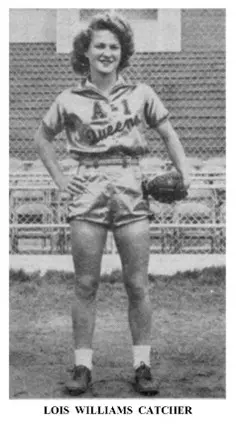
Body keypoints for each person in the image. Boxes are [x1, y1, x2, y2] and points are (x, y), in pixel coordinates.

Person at [35, 12, 190, 396]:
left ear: (123, 54)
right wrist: (60, 178)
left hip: (130, 187)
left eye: (114, 47)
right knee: (85, 283)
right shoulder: (68, 98)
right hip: (87, 189)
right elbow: (41, 139)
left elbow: (169, 134)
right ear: (85, 52)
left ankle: (142, 364)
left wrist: (184, 174)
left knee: (136, 284)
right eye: (100, 45)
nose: (107, 52)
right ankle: (83, 366)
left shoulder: (141, 93)